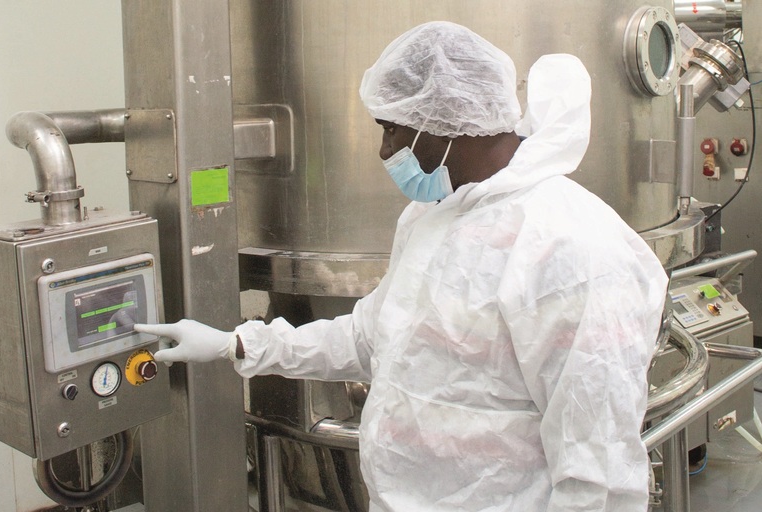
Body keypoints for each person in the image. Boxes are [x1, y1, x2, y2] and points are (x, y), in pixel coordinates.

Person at [136, 21, 669, 512]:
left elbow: (597, 476)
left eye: (392, 129)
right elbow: (374, 338)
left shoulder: (571, 249)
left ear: (447, 124)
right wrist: (238, 344)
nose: (385, 148)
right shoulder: (436, 217)